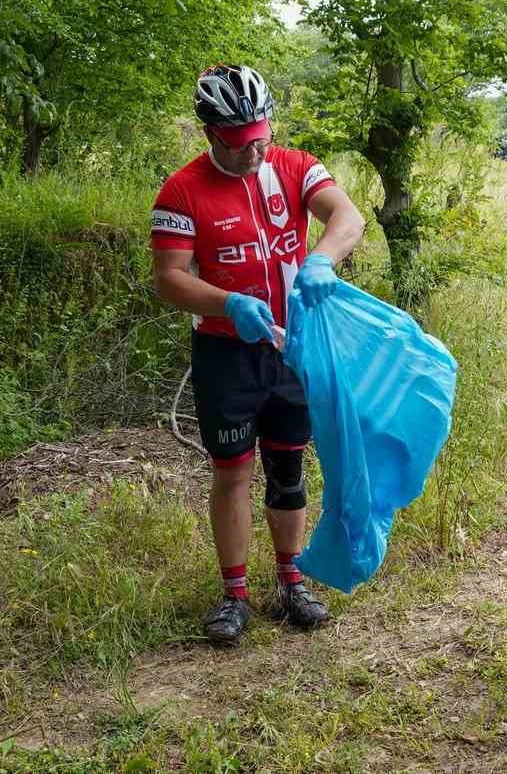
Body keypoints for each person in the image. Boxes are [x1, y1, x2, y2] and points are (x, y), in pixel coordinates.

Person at [151, 64, 366, 646]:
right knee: (233, 471)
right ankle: (234, 594)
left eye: (261, 138)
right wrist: (226, 303)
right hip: (227, 353)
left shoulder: (295, 166)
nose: (253, 153)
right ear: (210, 134)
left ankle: (293, 583)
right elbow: (169, 279)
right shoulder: (181, 190)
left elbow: (347, 217)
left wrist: (322, 259)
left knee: (289, 467)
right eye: (239, 143)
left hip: (293, 347)